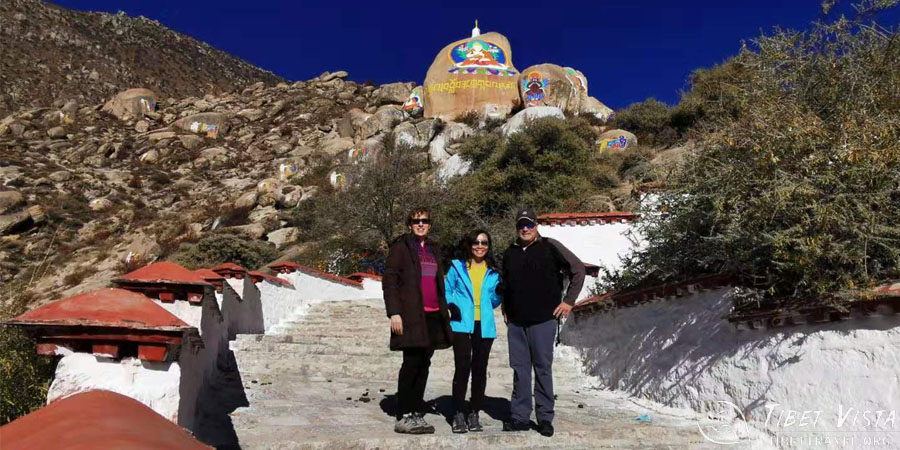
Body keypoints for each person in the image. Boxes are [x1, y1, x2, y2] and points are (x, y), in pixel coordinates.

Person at [500, 208, 585, 437]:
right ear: (517, 228)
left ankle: (545, 418)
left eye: (529, 224)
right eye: (521, 225)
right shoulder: (510, 253)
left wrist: (568, 302)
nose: (525, 229)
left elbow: (578, 270)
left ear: (536, 225)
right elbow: (506, 283)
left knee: (542, 369)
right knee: (520, 370)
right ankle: (519, 417)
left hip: (543, 321)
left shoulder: (550, 246)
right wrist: (506, 308)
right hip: (516, 324)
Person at [383, 207, 453, 434]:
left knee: (425, 363)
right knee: (411, 363)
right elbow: (390, 281)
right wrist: (394, 312)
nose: (420, 224)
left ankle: (415, 410)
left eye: (424, 220)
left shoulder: (433, 248)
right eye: (416, 221)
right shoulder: (400, 248)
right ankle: (403, 414)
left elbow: (437, 282)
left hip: (433, 314)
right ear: (409, 224)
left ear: (430, 224)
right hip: (411, 315)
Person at [444, 229, 503, 434]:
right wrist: (452, 306)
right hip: (461, 323)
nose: (480, 246)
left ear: (488, 246)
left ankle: (474, 411)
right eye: (476, 242)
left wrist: (498, 296)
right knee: (462, 367)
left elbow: (495, 300)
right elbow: (446, 289)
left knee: (480, 369)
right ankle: (458, 412)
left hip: (484, 325)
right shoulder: (457, 267)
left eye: (484, 243)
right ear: (469, 245)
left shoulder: (493, 271)